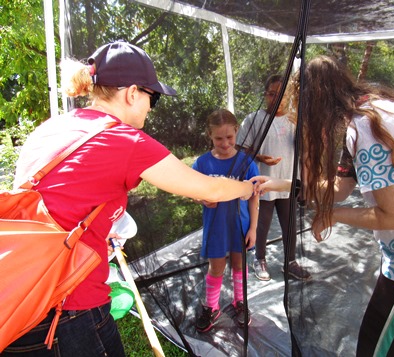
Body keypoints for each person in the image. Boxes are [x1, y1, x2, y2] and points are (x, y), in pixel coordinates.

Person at [4, 40, 254, 356]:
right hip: (66, 311)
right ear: (132, 93)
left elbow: (56, 200)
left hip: (19, 297)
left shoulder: (52, 128)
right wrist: (248, 187)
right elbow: (210, 189)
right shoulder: (125, 140)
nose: (151, 107)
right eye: (154, 97)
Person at [252, 55, 394, 356]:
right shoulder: (374, 111)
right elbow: (340, 188)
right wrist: (281, 184)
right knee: (374, 338)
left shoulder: (368, 131)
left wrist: (331, 215)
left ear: (316, 105)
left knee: (379, 349)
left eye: (303, 114)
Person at [237, 74, 311, 281]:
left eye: (281, 94)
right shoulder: (254, 119)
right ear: (265, 95)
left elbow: (305, 150)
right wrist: (260, 157)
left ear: (288, 96)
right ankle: (259, 259)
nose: (276, 98)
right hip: (264, 183)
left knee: (290, 225)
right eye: (271, 94)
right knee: (262, 223)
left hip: (288, 182)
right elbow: (240, 148)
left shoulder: (294, 119)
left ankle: (290, 262)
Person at [192, 109, 259, 332]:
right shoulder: (202, 163)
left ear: (237, 131)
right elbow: (193, 191)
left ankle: (240, 302)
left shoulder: (246, 163)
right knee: (216, 267)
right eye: (219, 138)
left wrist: (254, 228)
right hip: (216, 228)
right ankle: (212, 307)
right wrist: (202, 199)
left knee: (240, 265)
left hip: (239, 226)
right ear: (209, 135)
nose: (225, 143)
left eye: (229, 137)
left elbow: (254, 197)